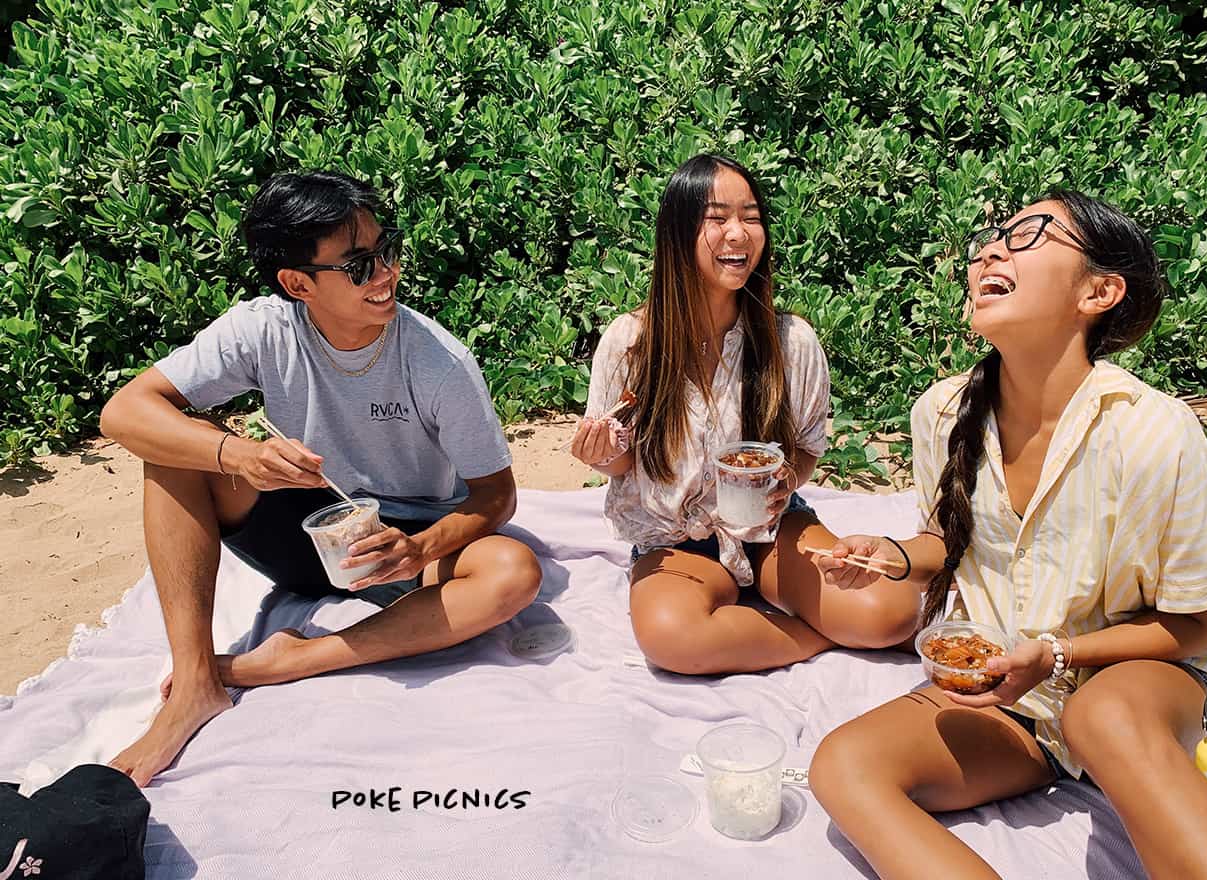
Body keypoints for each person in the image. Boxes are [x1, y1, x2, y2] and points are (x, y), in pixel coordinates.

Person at [808, 191, 1207, 879]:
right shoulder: (941, 411)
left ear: (1099, 291)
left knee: (1101, 716)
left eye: (1030, 235)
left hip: (1135, 679)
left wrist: (1059, 653)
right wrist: (896, 557)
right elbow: (949, 541)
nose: (991, 249)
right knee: (843, 765)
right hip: (1006, 694)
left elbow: (1204, 621)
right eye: (991, 238)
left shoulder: (1151, 433)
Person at [99, 171, 542, 786]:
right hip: (305, 525)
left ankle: (289, 661)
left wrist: (417, 547)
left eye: (387, 250)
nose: (386, 274)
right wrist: (239, 455)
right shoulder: (261, 329)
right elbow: (124, 411)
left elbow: (498, 494)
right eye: (359, 265)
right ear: (296, 283)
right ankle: (196, 681)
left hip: (405, 544)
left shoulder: (438, 361)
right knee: (173, 452)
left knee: (512, 572)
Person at [570, 154, 918, 676]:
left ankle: (783, 621)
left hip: (770, 525)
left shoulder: (789, 341)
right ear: (678, 233)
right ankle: (813, 636)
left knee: (890, 616)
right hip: (675, 537)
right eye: (717, 219)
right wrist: (605, 457)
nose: (738, 234)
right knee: (674, 640)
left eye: (751, 217)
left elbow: (803, 448)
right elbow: (624, 467)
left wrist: (786, 479)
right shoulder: (631, 343)